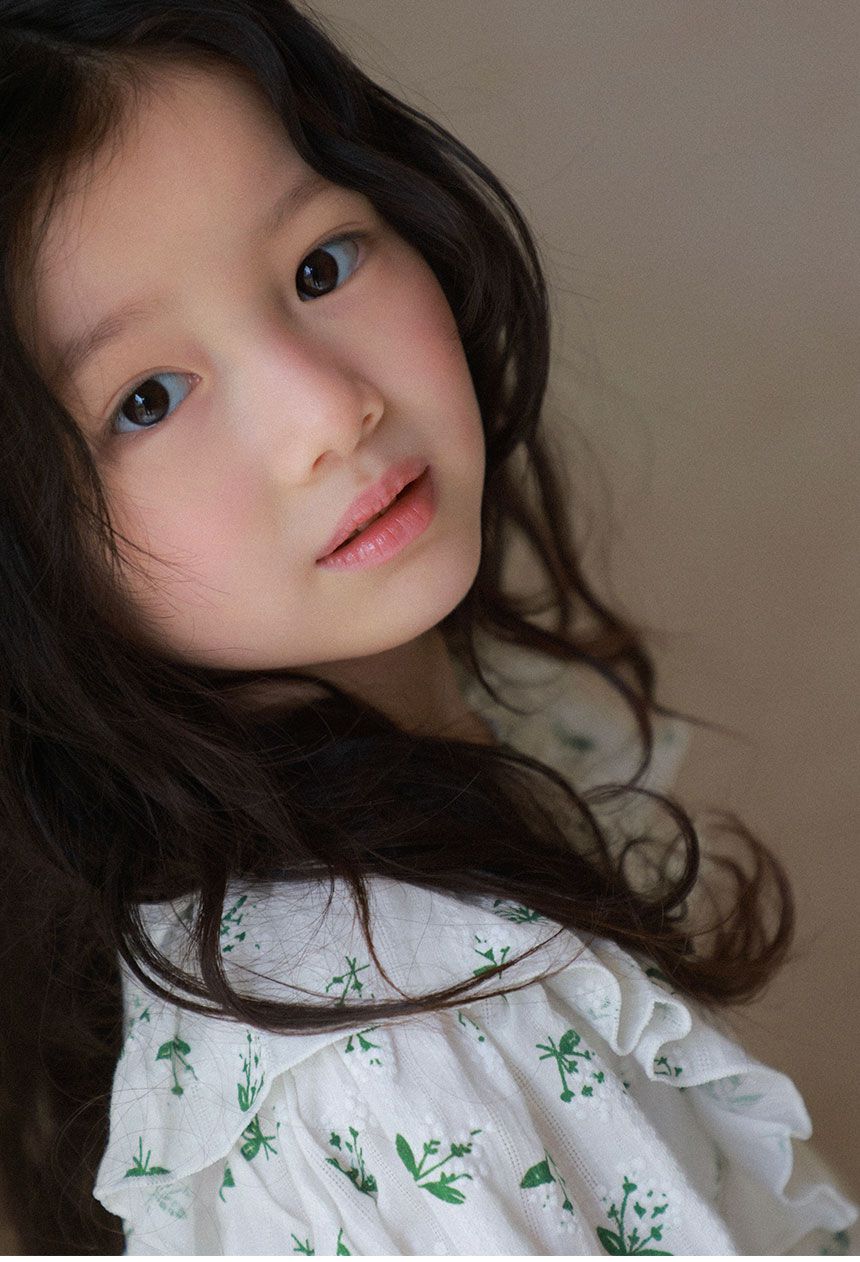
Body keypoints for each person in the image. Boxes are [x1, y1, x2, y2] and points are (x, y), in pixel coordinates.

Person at [0, 2, 855, 1255]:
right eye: (148, 398)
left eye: (320, 266)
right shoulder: (404, 1053)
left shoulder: (441, 745)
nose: (327, 412)